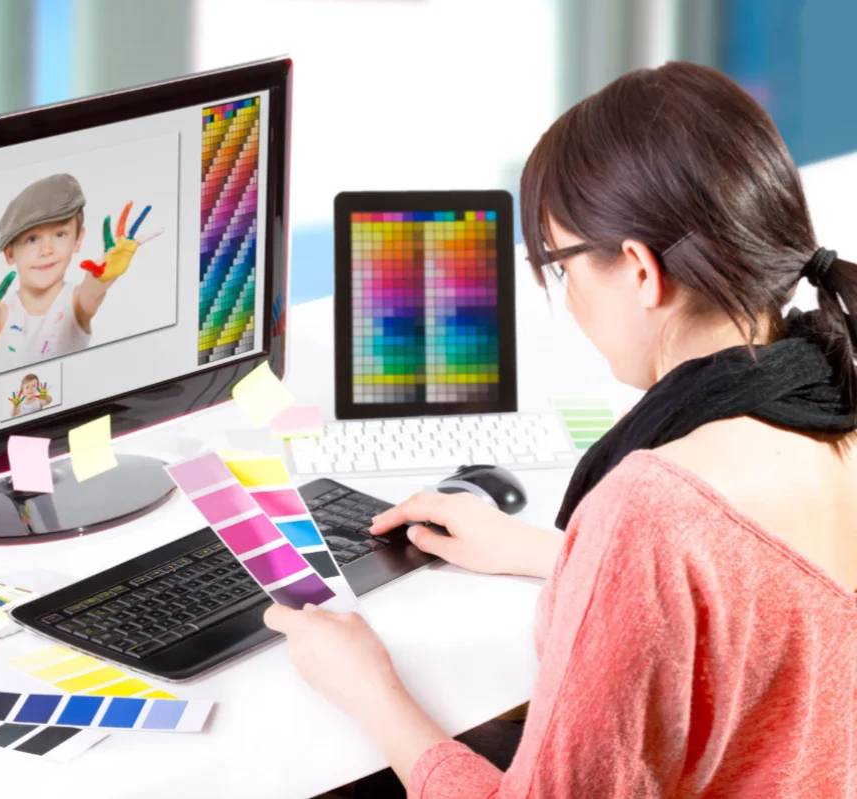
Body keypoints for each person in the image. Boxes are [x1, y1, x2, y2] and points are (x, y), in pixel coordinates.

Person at [266, 61, 857, 797]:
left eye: (560, 262)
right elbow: (762, 590)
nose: (567, 300)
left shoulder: (655, 509)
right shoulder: (832, 393)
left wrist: (369, 688)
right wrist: (557, 553)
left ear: (640, 270)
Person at [0, 173, 162, 372]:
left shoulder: (75, 304)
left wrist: (104, 278)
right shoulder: (2, 316)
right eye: (32, 239)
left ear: (78, 240)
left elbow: (92, 293)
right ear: (10, 254)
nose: (47, 250)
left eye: (60, 234)